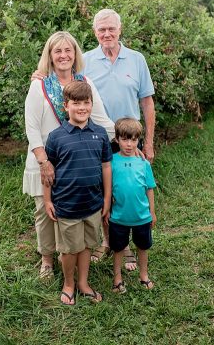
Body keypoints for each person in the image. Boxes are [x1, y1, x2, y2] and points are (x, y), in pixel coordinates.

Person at [24, 31, 114, 280]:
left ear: (75, 54)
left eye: (68, 50)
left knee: (76, 209)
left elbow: (100, 119)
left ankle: (79, 253)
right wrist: (44, 162)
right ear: (50, 56)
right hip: (45, 158)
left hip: (75, 162)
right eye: (57, 51)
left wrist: (127, 138)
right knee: (45, 210)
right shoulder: (39, 85)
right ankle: (47, 259)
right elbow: (31, 128)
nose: (63, 55)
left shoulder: (85, 82)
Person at [84, 9, 156, 271]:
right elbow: (62, 78)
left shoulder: (136, 59)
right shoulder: (85, 60)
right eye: (101, 30)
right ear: (95, 32)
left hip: (128, 140)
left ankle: (126, 247)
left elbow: (147, 102)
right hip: (96, 140)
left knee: (128, 192)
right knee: (103, 193)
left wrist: (147, 142)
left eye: (111, 29)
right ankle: (108, 241)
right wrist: (39, 75)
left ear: (120, 29)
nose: (106, 34)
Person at [43, 80, 113, 305]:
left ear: (92, 104)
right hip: (67, 205)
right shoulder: (56, 137)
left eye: (86, 102)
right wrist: (47, 200)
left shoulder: (100, 134)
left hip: (93, 204)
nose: (82, 107)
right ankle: (69, 284)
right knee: (70, 249)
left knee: (86, 246)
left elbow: (106, 167)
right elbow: (48, 173)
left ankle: (83, 282)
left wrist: (106, 198)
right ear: (66, 106)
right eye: (76, 103)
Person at [104, 118, 157, 294]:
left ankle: (144, 275)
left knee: (143, 246)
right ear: (117, 139)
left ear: (138, 140)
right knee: (118, 248)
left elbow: (149, 189)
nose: (129, 144)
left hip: (141, 215)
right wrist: (108, 209)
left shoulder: (144, 163)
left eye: (133, 140)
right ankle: (117, 279)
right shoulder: (111, 162)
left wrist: (152, 212)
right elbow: (108, 189)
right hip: (119, 216)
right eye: (125, 139)